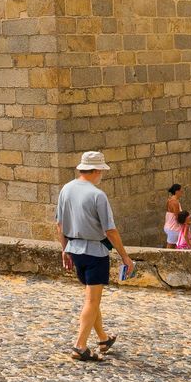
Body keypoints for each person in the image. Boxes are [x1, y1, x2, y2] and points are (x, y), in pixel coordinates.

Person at [55, 150, 135, 362]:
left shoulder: (66, 189)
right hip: (95, 253)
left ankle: (103, 338)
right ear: (97, 170)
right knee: (92, 300)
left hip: (74, 249)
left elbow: (59, 224)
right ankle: (80, 345)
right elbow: (110, 230)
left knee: (92, 298)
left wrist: (65, 249)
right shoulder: (97, 195)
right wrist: (125, 257)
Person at [163, 182, 190, 250]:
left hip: (169, 226)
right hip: (173, 228)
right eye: (181, 190)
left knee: (173, 247)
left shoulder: (169, 200)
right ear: (176, 191)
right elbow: (178, 217)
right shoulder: (175, 202)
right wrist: (188, 222)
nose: (182, 191)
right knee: (170, 248)